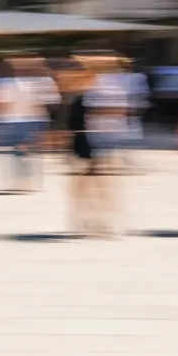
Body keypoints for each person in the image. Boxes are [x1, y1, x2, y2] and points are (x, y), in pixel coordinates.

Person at [61, 54, 125, 238]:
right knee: (90, 183)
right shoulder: (89, 91)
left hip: (95, 140)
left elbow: (116, 114)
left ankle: (95, 220)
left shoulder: (101, 91)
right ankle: (92, 220)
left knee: (94, 183)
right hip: (88, 140)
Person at [0, 56, 60, 192]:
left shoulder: (3, 82)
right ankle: (27, 180)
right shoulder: (45, 81)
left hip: (9, 121)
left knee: (15, 153)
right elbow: (51, 103)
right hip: (34, 120)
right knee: (27, 152)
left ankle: (17, 181)